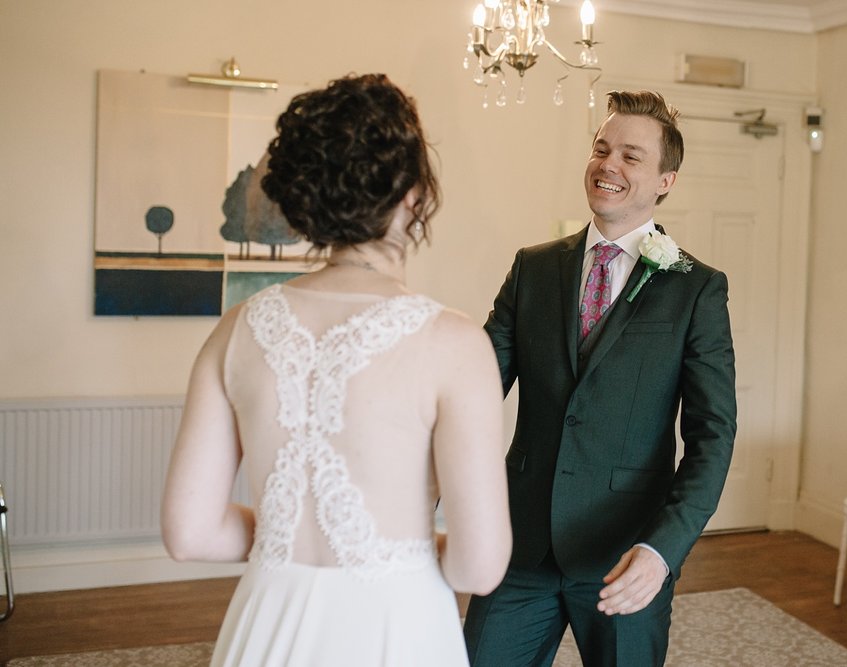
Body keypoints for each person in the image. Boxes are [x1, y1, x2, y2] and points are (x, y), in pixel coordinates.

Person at [161, 73, 512, 667]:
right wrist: (413, 548)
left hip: (268, 624)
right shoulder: (453, 343)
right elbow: (478, 567)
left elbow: (189, 533)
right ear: (413, 196)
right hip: (395, 627)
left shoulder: (236, 330)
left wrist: (284, 534)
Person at [463, 90, 737, 666]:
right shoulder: (533, 267)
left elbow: (713, 436)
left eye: (631, 156)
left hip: (627, 556)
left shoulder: (696, 288)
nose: (608, 164)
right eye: (601, 148)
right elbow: (473, 389)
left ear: (667, 180)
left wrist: (662, 551)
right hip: (520, 549)